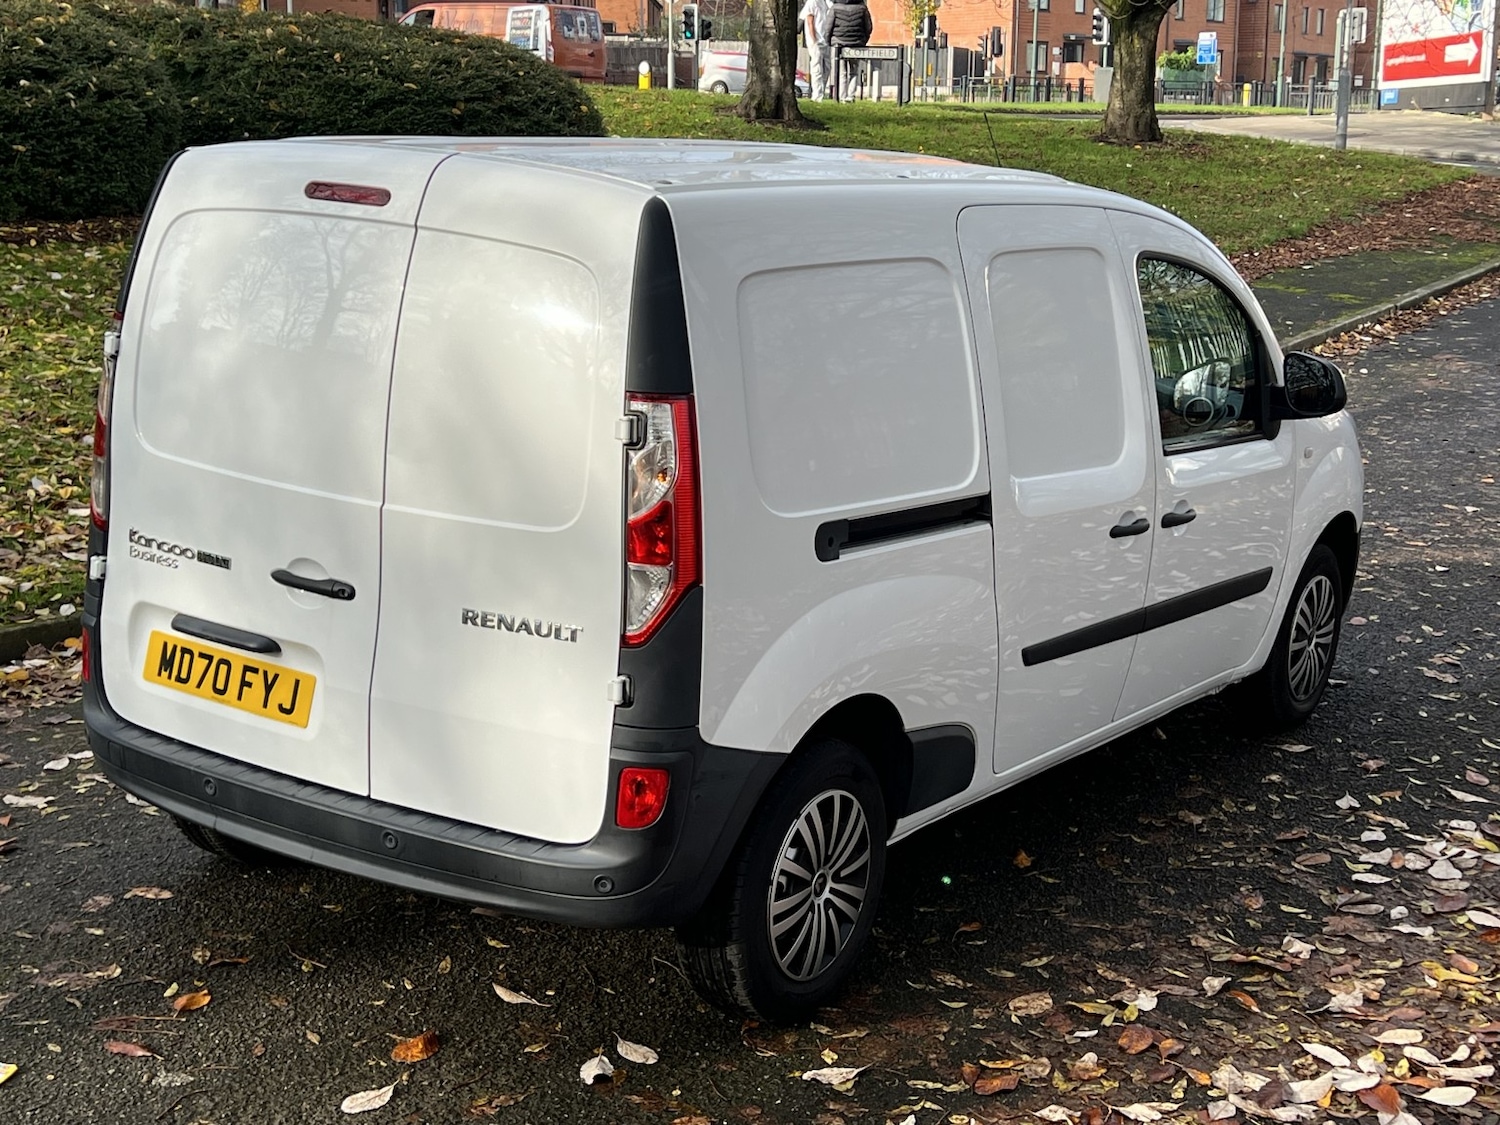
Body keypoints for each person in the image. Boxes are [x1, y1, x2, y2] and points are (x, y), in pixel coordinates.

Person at [828, 0, 872, 102]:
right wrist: (863, 41)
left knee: (841, 72)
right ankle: (850, 96)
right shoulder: (862, 8)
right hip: (856, 43)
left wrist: (830, 42)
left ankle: (842, 97)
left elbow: (828, 27)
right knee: (854, 72)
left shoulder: (835, 8)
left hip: (838, 43)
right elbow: (869, 27)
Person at [799, 0, 832, 101]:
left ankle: (821, 90)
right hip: (816, 41)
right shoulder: (811, 2)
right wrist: (814, 39)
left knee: (827, 67)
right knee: (817, 67)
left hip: (825, 39)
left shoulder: (826, 2)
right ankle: (817, 95)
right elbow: (810, 21)